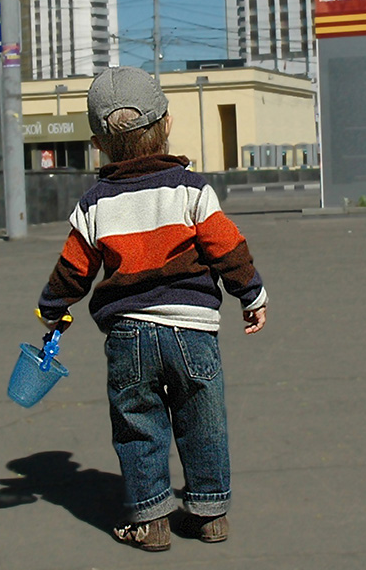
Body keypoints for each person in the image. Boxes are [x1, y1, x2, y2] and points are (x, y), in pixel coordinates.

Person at [36, 65, 268, 552]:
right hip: (193, 330)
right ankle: (209, 514)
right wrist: (251, 294)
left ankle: (151, 521)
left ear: (98, 143)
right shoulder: (191, 189)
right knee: (202, 418)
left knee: (139, 422)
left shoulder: (94, 204)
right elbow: (228, 246)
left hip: (128, 335)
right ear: (167, 124)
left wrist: (52, 308)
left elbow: (74, 268)